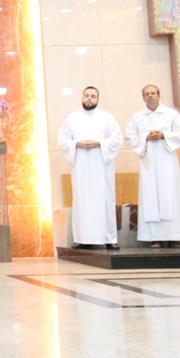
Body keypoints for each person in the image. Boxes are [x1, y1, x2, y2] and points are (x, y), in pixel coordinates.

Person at [57, 86, 123, 250]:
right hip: (81, 168)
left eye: (93, 96)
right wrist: (76, 144)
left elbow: (117, 139)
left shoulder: (107, 118)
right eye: (86, 95)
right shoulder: (72, 119)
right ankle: (83, 239)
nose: (89, 99)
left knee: (105, 200)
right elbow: (63, 139)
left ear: (98, 99)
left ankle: (109, 239)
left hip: (102, 167)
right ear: (82, 98)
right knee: (82, 200)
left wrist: (99, 143)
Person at [125, 84, 180, 248]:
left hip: (167, 161)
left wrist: (163, 135)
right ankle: (155, 237)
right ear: (143, 98)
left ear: (159, 96)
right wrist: (145, 138)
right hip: (148, 163)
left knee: (171, 193)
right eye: (147, 94)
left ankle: (175, 236)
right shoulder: (137, 117)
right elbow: (130, 138)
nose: (150, 96)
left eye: (153, 93)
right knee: (150, 195)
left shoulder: (170, 114)